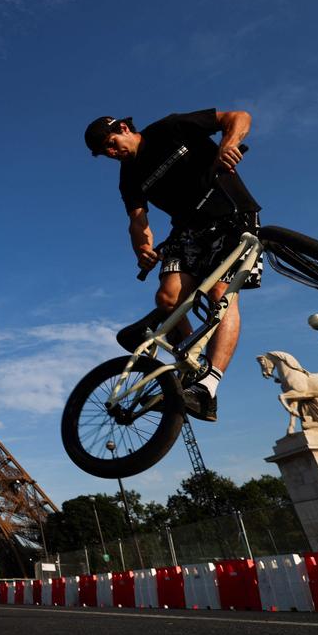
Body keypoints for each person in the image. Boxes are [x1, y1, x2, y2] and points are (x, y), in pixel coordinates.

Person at [83, 110, 259, 422]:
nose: (112, 153)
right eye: (105, 152)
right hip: (187, 229)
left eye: (111, 144)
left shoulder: (168, 128)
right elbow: (137, 221)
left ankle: (209, 386)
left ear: (124, 128)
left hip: (227, 210)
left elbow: (237, 116)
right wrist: (143, 250)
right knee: (167, 300)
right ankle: (193, 362)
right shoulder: (128, 176)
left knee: (221, 291)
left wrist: (227, 145)